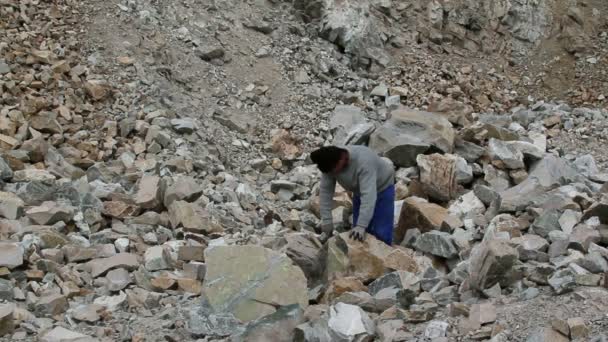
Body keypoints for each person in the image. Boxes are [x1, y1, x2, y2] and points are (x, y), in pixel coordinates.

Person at [310, 145, 395, 245]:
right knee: (356, 235)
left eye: (334, 171)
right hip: (359, 191)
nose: (333, 174)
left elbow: (368, 196)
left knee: (381, 232)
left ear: (341, 159)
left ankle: (385, 256)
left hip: (383, 188)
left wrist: (361, 225)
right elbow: (325, 192)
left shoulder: (364, 161)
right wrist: (327, 221)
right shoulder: (329, 162)